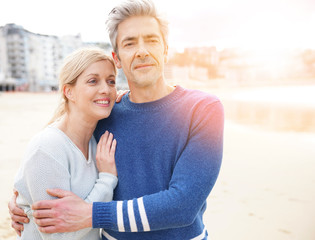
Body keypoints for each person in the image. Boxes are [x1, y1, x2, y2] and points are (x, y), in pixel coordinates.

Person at [9, 0, 224, 239]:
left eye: (151, 40)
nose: (142, 50)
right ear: (117, 58)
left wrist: (92, 214)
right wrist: (23, 200)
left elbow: (182, 206)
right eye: (130, 43)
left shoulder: (203, 109)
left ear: (165, 50)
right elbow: (53, 152)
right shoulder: (105, 113)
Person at [12, 47, 119, 239]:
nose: (106, 89)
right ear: (69, 91)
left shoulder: (97, 142)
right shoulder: (47, 148)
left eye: (111, 81)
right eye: (93, 81)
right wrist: (107, 180)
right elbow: (59, 236)